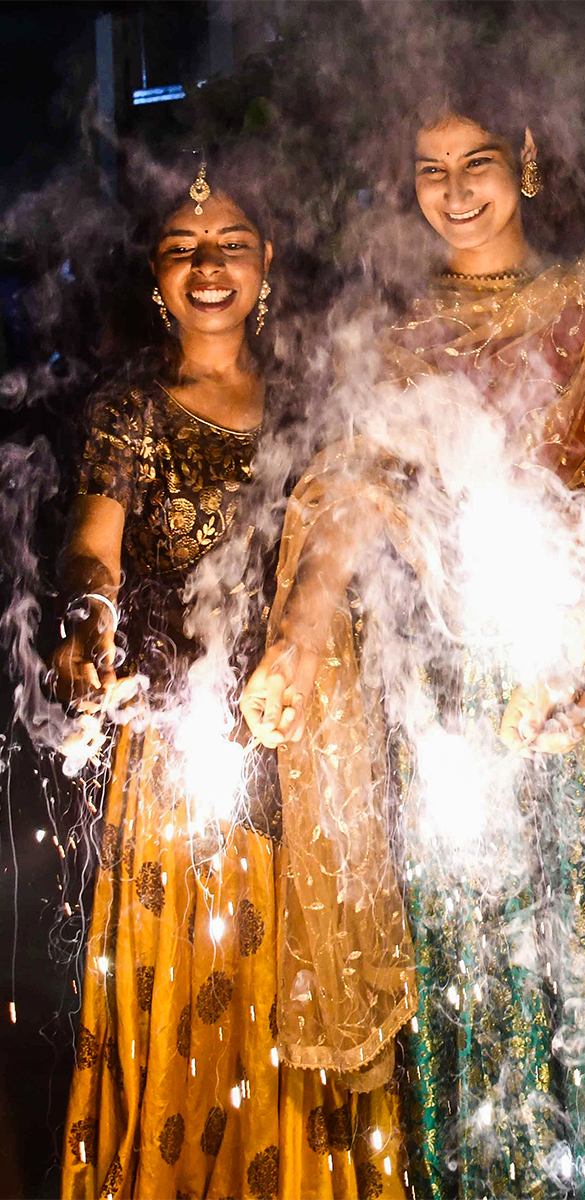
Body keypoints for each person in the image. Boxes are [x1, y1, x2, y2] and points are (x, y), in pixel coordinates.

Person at [241, 102, 585, 1200]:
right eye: (429, 170)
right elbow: (347, 488)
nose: (455, 190)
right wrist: (295, 639)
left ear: (525, 162)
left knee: (577, 976)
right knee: (464, 979)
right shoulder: (397, 340)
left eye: (476, 162)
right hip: (448, 705)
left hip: (579, 691)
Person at [58, 170, 404, 1199]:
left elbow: (356, 530)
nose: (209, 266)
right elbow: (93, 548)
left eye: (232, 242)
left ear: (269, 265)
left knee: (292, 1017)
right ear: (155, 278)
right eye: (182, 245)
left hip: (311, 755)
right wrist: (88, 624)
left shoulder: (315, 399)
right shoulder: (131, 413)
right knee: (196, 1021)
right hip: (179, 769)